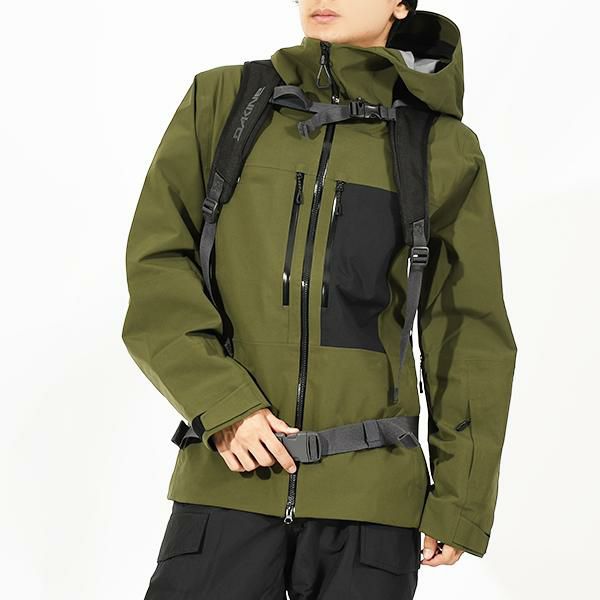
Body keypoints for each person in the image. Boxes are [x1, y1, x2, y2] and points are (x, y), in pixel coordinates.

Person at [121, 1, 518, 598]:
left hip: (371, 508)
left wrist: (460, 499)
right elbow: (157, 264)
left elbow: (466, 331)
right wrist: (224, 406)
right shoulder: (224, 101)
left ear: (400, 4)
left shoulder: (443, 147)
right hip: (229, 479)